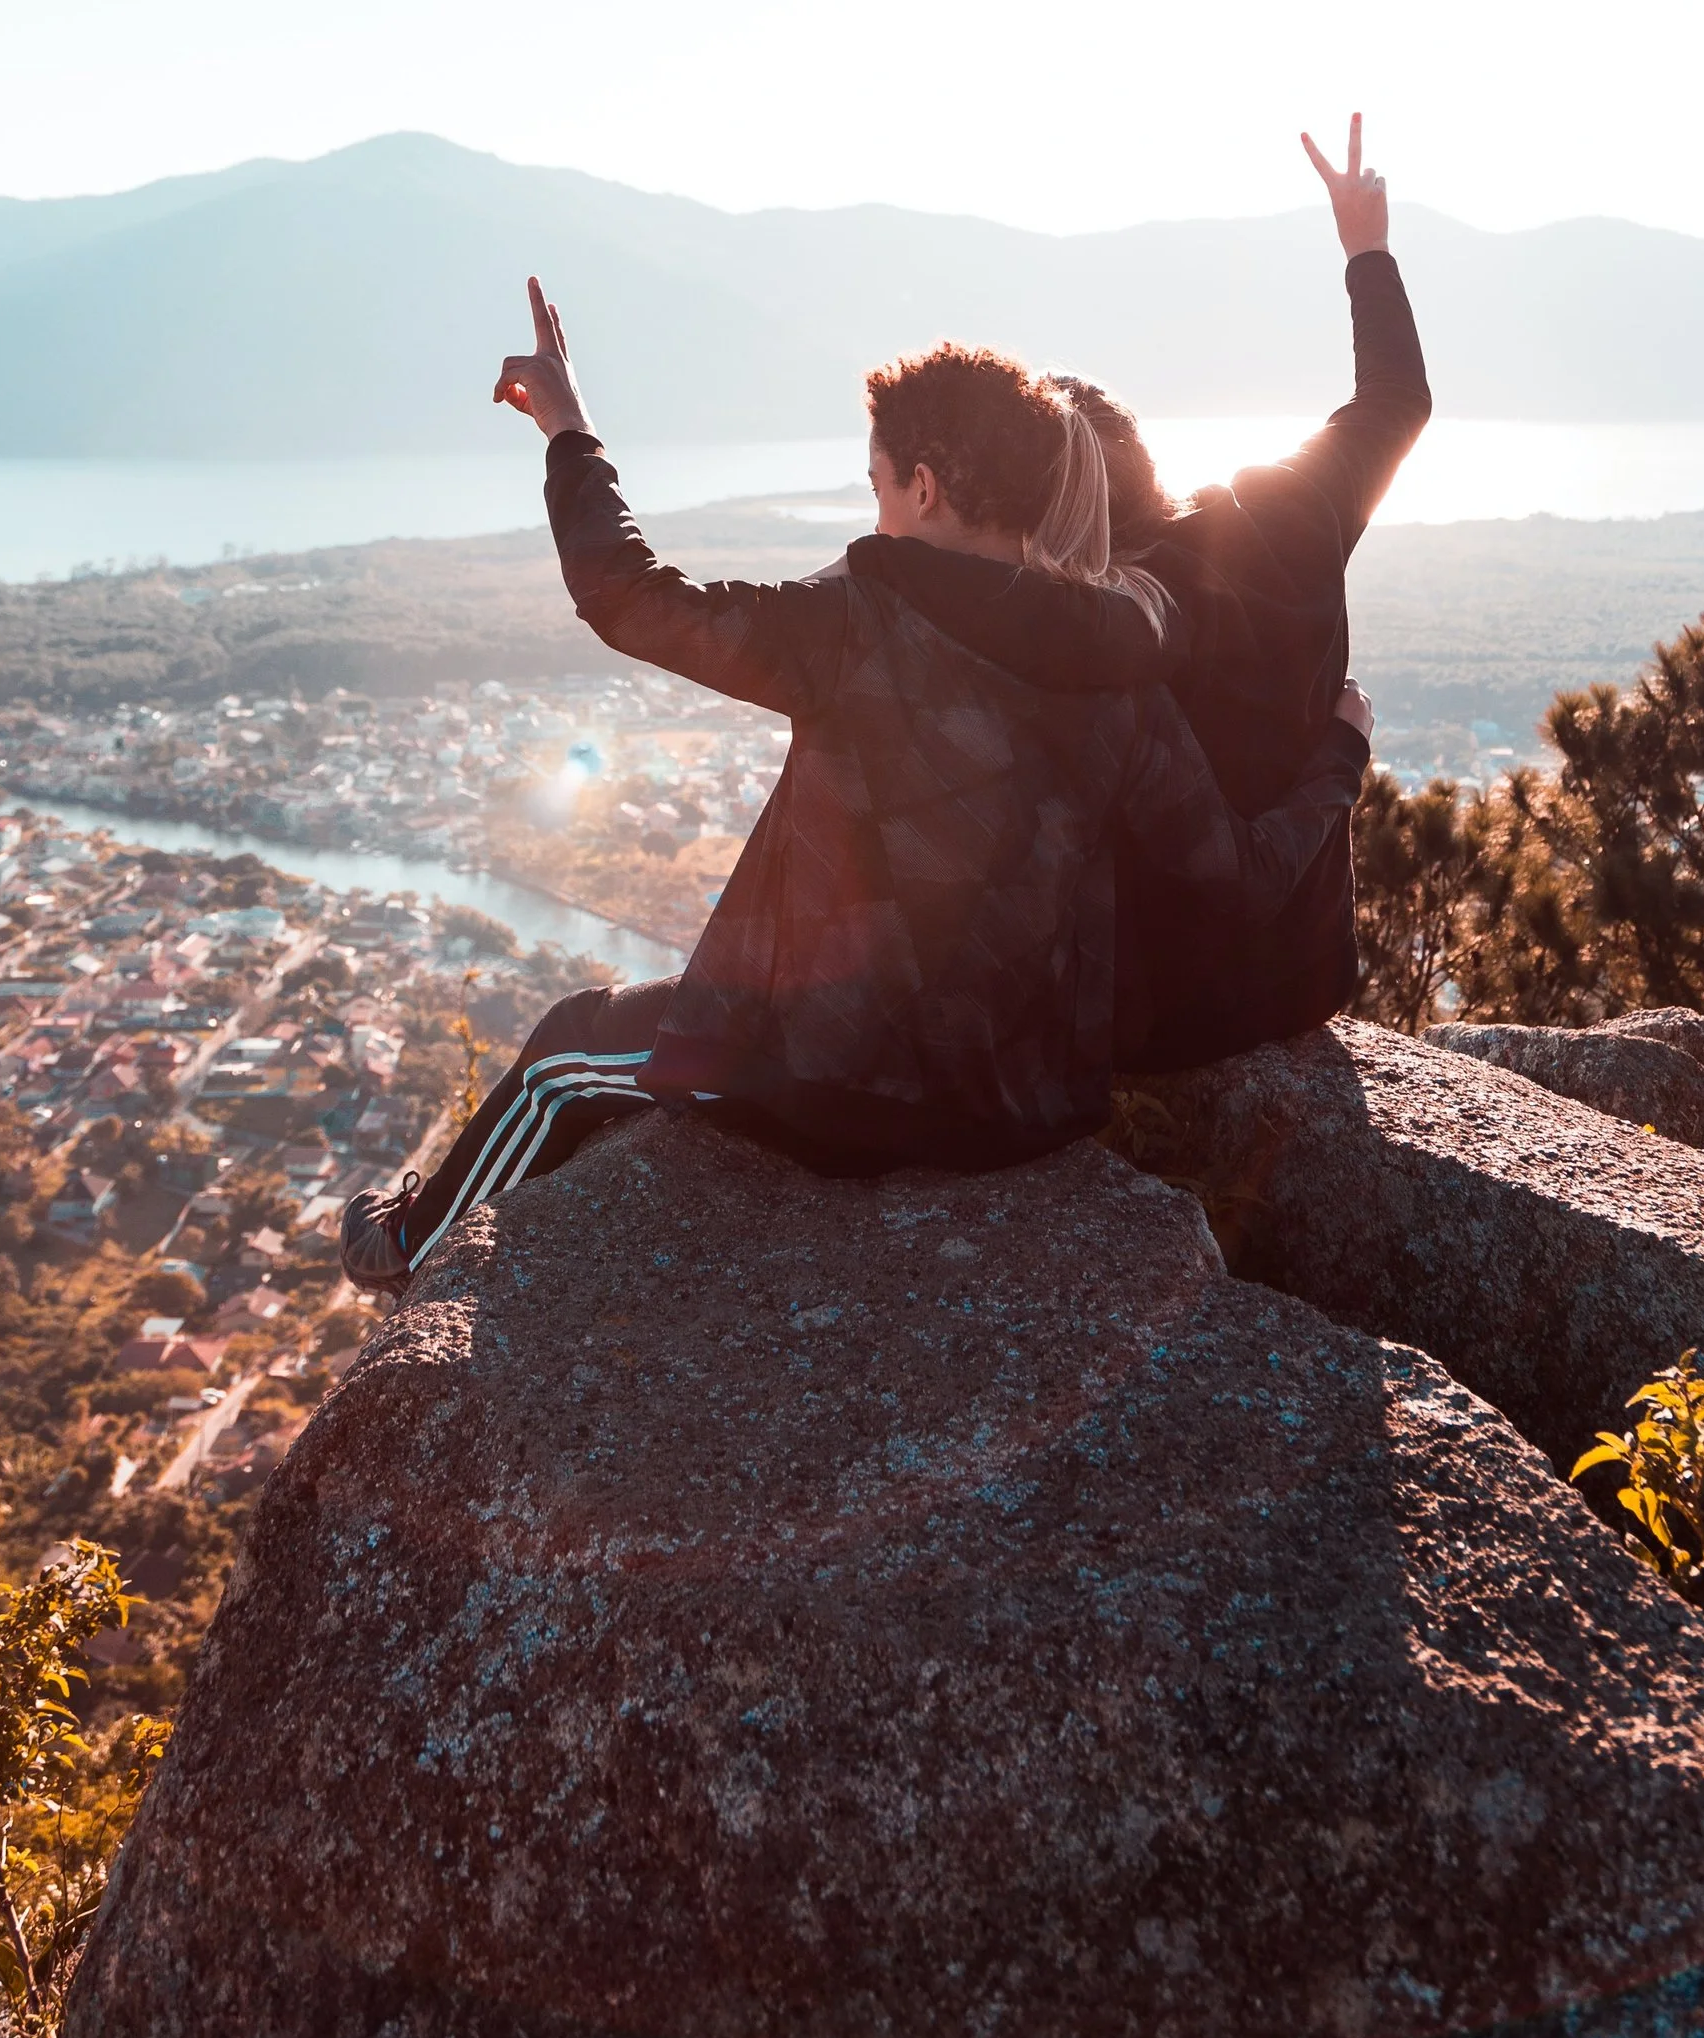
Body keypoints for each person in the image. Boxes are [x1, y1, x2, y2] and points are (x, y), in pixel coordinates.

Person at [341, 288, 1370, 1290]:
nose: (871, 505)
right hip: (1026, 1106)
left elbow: (626, 596)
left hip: (836, 1086)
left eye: (876, 479)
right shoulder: (1123, 663)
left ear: (924, 486)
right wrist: (1339, 755)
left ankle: (404, 1251)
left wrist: (569, 428)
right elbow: (1239, 877)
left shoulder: (854, 626)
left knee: (570, 1046)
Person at [1059, 113, 1431, 1069]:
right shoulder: (1287, 508)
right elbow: (1398, 400)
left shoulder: (1087, 628)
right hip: (1305, 978)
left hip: (1151, 1017)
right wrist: (1366, 249)